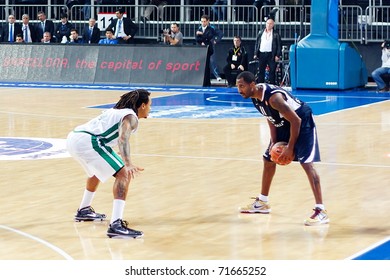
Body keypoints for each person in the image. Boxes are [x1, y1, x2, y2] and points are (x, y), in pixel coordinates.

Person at [236, 71, 329, 226]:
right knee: (268, 159)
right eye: (237, 86)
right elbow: (271, 119)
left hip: (302, 121)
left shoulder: (274, 98)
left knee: (307, 164)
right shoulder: (255, 97)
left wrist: (290, 148)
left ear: (252, 84)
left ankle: (321, 210)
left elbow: (296, 121)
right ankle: (263, 202)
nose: (239, 90)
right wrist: (273, 142)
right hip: (285, 124)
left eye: (242, 86)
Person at [67, 89, 152, 238]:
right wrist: (128, 163)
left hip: (75, 138)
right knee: (124, 174)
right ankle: (116, 225)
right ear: (143, 105)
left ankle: (84, 210)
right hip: (89, 142)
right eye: (150, 105)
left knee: (97, 171)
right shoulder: (131, 116)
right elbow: (123, 139)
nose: (150, 108)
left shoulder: (118, 111)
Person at [253, 18, 282, 85]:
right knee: (261, 71)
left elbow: (279, 45)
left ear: (273, 25)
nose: (269, 25)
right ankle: (260, 85)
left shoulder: (276, 34)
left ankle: (272, 85)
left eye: (270, 24)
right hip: (262, 53)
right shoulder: (261, 32)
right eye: (268, 23)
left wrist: (277, 55)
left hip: (271, 54)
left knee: (272, 71)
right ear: (266, 24)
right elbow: (257, 43)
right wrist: (255, 53)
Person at [195, 14, 215, 87]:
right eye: (202, 21)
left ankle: (207, 82)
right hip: (200, 49)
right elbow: (197, 39)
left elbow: (209, 37)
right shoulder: (199, 28)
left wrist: (202, 34)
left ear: (208, 21)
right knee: (201, 66)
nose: (203, 23)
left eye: (204, 21)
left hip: (208, 49)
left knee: (207, 66)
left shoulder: (211, 29)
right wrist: (202, 40)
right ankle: (200, 81)